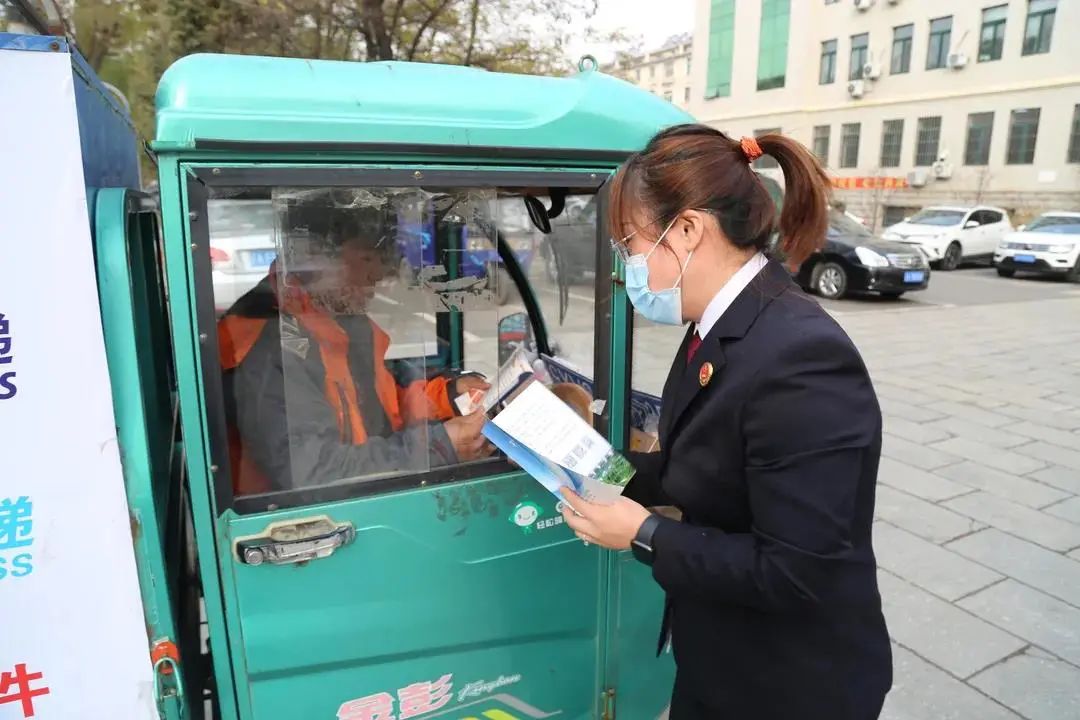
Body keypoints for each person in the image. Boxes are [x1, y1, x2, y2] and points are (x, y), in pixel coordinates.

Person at [560, 125, 892, 719]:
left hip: (788, 687)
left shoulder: (801, 356)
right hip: (723, 657)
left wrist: (643, 533)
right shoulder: (717, 326)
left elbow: (797, 571)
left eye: (629, 244)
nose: (625, 267)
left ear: (688, 230)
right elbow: (696, 465)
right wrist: (588, 463)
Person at [218, 205, 491, 495]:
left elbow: (381, 409)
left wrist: (448, 398)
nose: (379, 274)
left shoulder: (340, 319)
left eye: (383, 259)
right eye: (367, 258)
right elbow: (315, 474)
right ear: (315, 258)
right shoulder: (268, 345)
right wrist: (437, 448)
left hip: (367, 495)